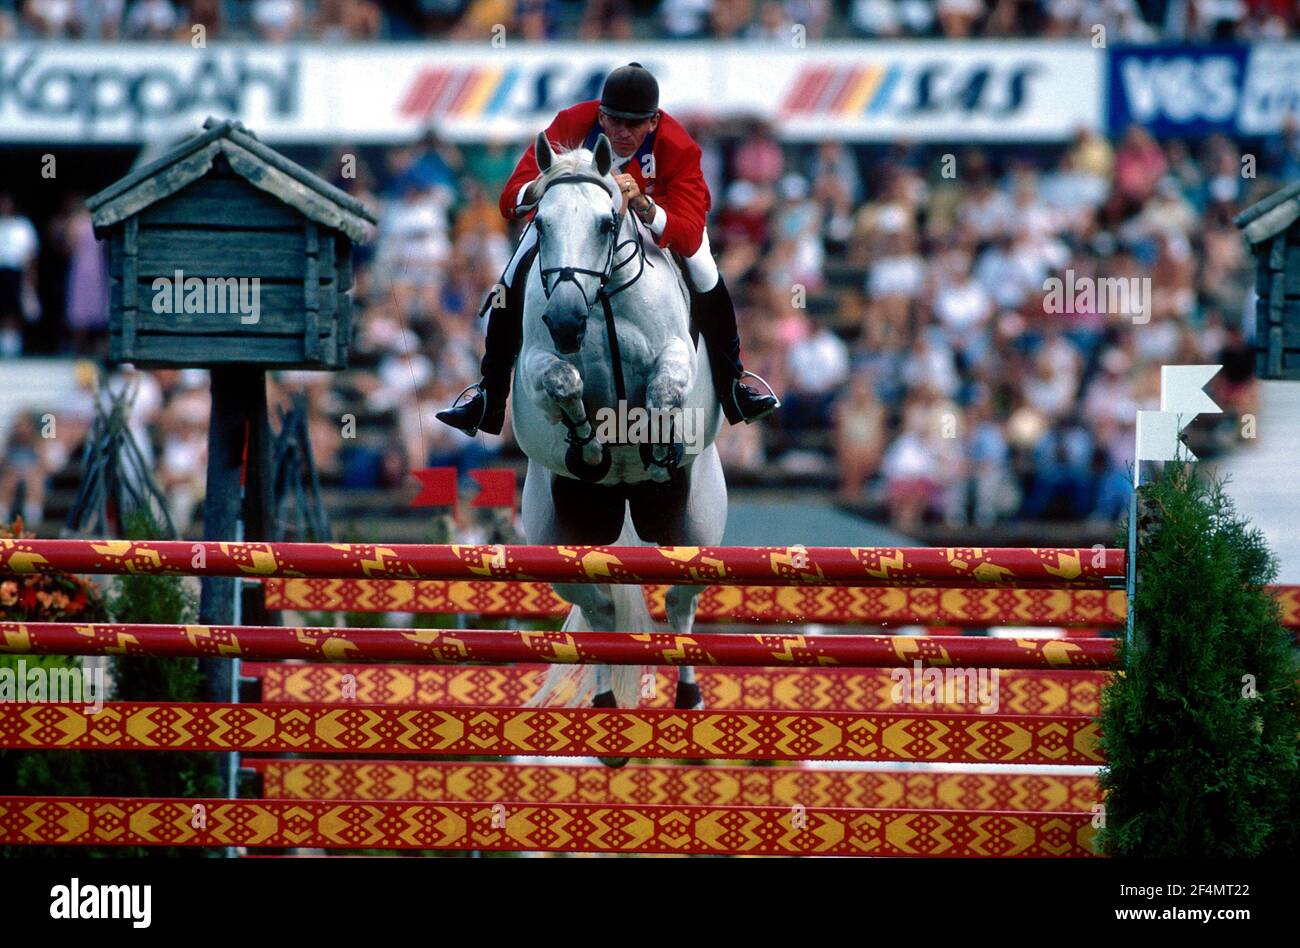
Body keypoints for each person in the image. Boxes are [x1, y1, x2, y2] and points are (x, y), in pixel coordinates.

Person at [436, 62, 779, 436]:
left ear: (653, 121)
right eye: (614, 121)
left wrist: (645, 206)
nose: (623, 133)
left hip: (653, 222)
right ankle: (489, 395)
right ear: (601, 116)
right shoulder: (571, 123)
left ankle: (733, 386)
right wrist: (544, 185)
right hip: (576, 225)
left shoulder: (677, 145)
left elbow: (690, 234)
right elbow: (510, 201)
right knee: (511, 274)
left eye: (635, 124)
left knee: (704, 270)